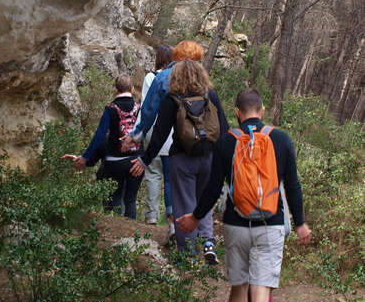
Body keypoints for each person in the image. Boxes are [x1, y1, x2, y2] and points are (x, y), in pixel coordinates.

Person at [177, 89, 311, 302]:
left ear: (237, 113)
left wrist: (195, 218)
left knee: (239, 286)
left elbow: (213, 189)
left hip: (236, 224)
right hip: (271, 223)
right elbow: (293, 186)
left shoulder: (226, 142)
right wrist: (300, 223)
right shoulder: (281, 139)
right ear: (262, 111)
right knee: (261, 288)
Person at [130, 60, 229, 262]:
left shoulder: (172, 99)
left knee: (184, 205)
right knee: (206, 201)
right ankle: (208, 242)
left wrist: (145, 159)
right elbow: (224, 129)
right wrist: (225, 161)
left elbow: (159, 134)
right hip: (209, 158)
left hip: (182, 158)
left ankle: (187, 254)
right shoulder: (211, 96)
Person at [66, 75, 144, 219]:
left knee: (114, 197)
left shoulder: (110, 109)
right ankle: (133, 238)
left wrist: (84, 157)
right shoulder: (140, 108)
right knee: (130, 199)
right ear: (132, 89)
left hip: (114, 161)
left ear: (116, 89)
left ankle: (116, 231)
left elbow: (99, 136)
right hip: (136, 160)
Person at [139, 45, 175, 241]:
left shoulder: (150, 77)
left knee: (153, 173)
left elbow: (146, 106)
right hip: (171, 132)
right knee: (170, 177)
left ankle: (151, 216)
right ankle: (171, 218)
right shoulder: (176, 78)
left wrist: (138, 132)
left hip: (153, 129)